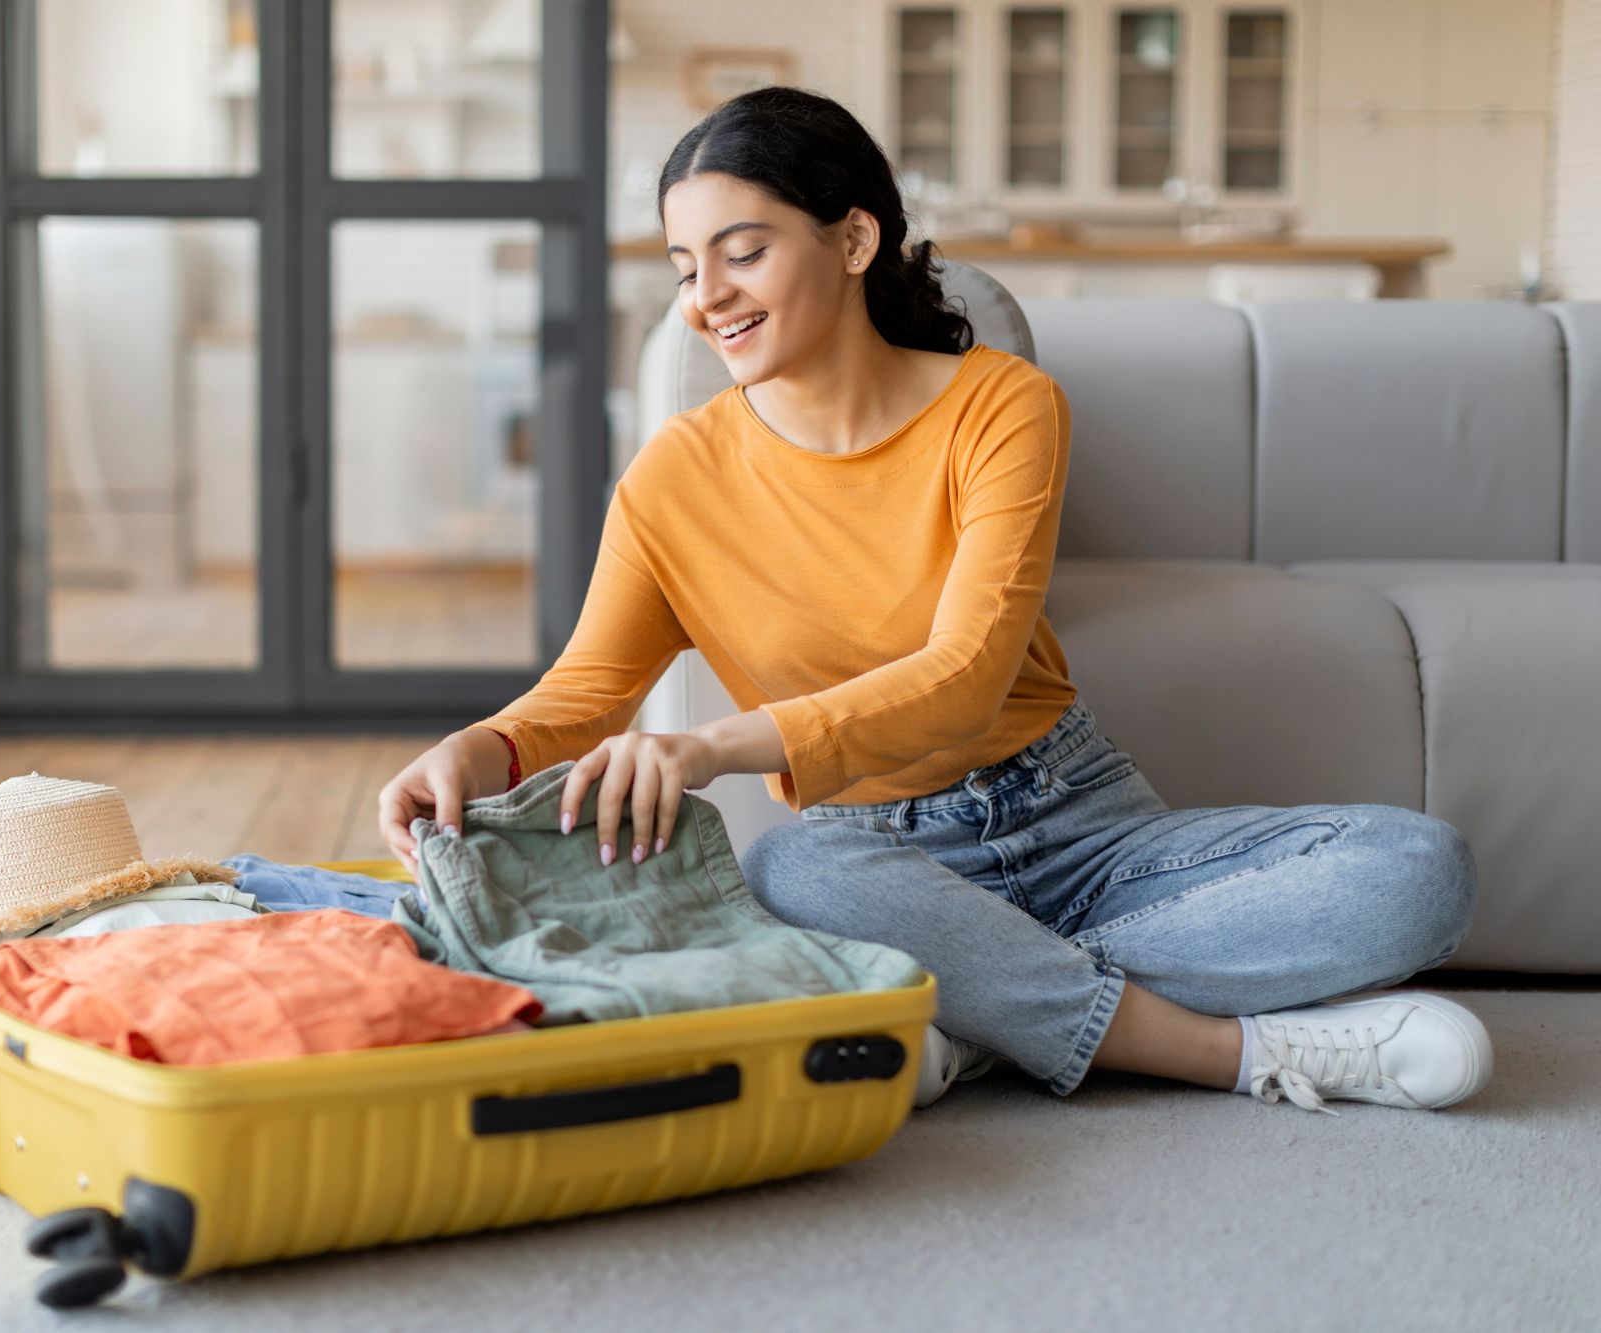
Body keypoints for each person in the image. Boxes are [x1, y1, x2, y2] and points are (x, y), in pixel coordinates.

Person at [376, 86, 1491, 1117]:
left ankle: (961, 1003)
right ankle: (1231, 1053)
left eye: (742, 251)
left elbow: (965, 678)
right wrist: (472, 755)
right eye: (682, 266)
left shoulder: (1000, 408)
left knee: (1416, 872)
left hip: (1079, 826)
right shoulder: (674, 478)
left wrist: (708, 746)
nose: (703, 297)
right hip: (874, 854)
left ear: (852, 240)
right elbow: (583, 693)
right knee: (786, 867)